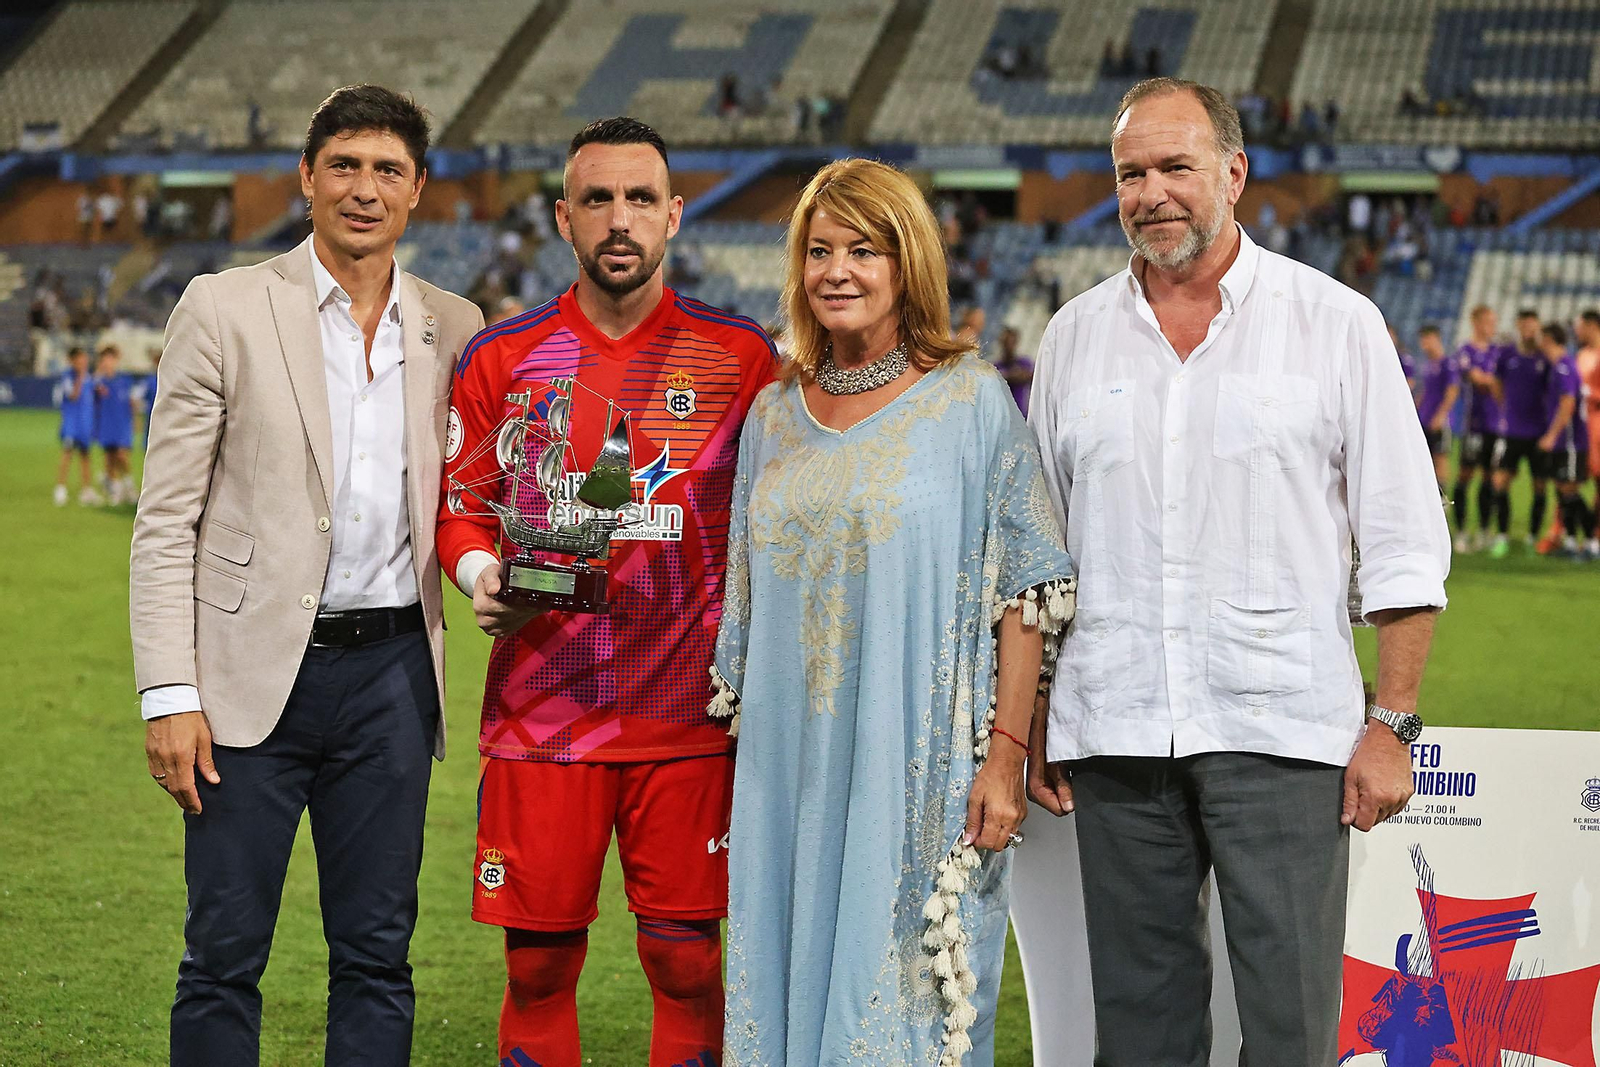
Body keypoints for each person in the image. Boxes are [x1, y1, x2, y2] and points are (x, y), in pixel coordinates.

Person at [1027, 78, 1449, 1066]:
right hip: (1116, 727)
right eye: (1132, 172)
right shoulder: (1071, 337)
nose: (1152, 191)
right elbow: (1039, 552)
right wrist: (1036, 708)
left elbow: (1403, 537)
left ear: (1233, 171)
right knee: (1137, 1029)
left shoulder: (1333, 322)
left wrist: (1391, 725)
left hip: (1282, 730)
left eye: (1175, 166)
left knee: (1293, 1023)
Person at [130, 84, 483, 1067]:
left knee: (377, 957)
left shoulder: (457, 324)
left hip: (393, 679)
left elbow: (478, 495)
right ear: (306, 177)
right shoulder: (224, 305)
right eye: (344, 166)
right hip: (246, 679)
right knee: (221, 958)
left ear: (418, 191)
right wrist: (169, 689)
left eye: (387, 171)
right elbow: (165, 520)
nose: (363, 189)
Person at [710, 158, 1075, 1067]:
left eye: (863, 249)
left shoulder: (971, 401)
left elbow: (1023, 590)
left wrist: (1006, 753)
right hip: (787, 771)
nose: (837, 270)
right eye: (819, 250)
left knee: (905, 1006)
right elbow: (746, 608)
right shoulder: (771, 415)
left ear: (906, 262)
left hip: (920, 767)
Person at [437, 117, 776, 1067]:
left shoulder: (743, 358)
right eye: (597, 200)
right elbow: (460, 508)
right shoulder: (504, 358)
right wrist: (482, 575)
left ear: (674, 214)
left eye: (639, 199)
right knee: (538, 966)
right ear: (563, 218)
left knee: (688, 963)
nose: (618, 220)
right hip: (547, 713)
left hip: (690, 720)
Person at [1487, 309, 1551, 558]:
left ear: (1537, 328)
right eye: (1524, 326)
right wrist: (1506, 410)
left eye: (1532, 327)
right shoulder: (1507, 355)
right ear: (1518, 327)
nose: (1528, 331)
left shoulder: (1545, 358)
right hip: (1512, 431)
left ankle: (1532, 537)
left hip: (1538, 433)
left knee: (1540, 486)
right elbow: (1496, 383)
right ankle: (1502, 536)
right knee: (1500, 482)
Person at [1537, 323, 1596, 558]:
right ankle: (1571, 541)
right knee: (1563, 492)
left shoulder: (1564, 367)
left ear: (1549, 340)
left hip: (1571, 441)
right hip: (1565, 441)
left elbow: (1568, 403)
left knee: (1570, 492)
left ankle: (1592, 542)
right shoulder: (1557, 367)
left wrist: (1551, 436)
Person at [1450, 304, 1506, 553]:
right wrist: (1492, 381)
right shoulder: (1465, 350)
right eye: (1487, 321)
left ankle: (1484, 530)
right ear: (1475, 322)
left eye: (1493, 321)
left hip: (1495, 425)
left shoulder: (1498, 352)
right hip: (1473, 423)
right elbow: (1480, 380)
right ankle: (1461, 532)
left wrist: (1493, 382)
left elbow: (1500, 383)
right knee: (1465, 476)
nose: (1491, 326)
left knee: (1489, 477)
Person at [1413, 324, 1459, 497]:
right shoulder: (1428, 365)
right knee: (1424, 459)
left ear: (1436, 338)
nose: (1424, 343)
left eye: (1427, 339)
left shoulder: (1448, 363)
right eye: (1422, 340)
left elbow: (1452, 391)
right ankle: (1426, 497)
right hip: (1424, 419)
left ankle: (1442, 499)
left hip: (1440, 422)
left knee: (1440, 460)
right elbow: (1425, 391)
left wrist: (1441, 416)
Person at [92, 344, 139, 505]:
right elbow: (92, 394)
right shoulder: (99, 382)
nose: (108, 362)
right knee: (109, 459)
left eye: (111, 359)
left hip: (122, 423)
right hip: (106, 423)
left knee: (121, 455)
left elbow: (132, 401)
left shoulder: (124, 380)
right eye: (105, 359)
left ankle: (129, 485)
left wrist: (135, 420)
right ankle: (115, 491)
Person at [54, 345, 99, 506]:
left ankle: (86, 490)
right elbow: (73, 395)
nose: (84, 361)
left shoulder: (89, 377)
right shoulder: (68, 376)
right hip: (72, 424)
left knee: (85, 456)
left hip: (85, 424)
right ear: (73, 361)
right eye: (80, 359)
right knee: (67, 454)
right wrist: (80, 377)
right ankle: (60, 488)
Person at [1576, 309, 1600, 511]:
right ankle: (1563, 529)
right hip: (1582, 425)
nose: (1578, 331)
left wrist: (1590, 393)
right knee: (1571, 478)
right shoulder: (1582, 355)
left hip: (1597, 424)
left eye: (1581, 326)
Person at [995, 323, 1035, 414]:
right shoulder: (996, 366)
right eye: (1006, 342)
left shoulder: (1025, 362)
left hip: (1023, 415)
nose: (1009, 346)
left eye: (1011, 342)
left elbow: (1032, 376)